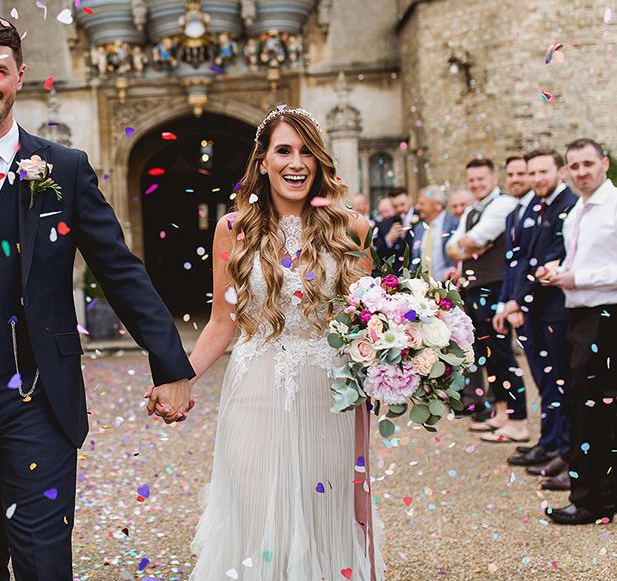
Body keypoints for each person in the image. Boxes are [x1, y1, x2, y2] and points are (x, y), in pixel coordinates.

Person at [0, 14, 195, 581]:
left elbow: (120, 271)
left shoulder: (64, 169)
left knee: (43, 564)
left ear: (20, 76)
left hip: (37, 400)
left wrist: (171, 364)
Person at [179, 106, 384, 579]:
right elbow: (221, 323)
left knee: (323, 511)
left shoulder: (351, 228)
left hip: (328, 390)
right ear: (264, 161)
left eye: (306, 151)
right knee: (255, 508)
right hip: (254, 386)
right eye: (284, 151)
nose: (296, 163)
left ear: (319, 160)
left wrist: (405, 354)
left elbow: (364, 322)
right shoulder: (234, 229)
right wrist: (180, 378)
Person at [541, 139, 617, 525]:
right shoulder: (576, 213)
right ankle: (597, 495)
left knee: (595, 412)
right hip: (580, 316)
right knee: (583, 407)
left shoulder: (614, 208)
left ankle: (593, 501)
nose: (582, 171)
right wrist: (558, 271)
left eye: (588, 163)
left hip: (607, 317)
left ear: (604, 163)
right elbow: (578, 260)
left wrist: (578, 277)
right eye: (574, 165)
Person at [500, 149, 577, 484]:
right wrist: (515, 302)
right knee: (545, 382)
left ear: (560, 171)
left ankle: (564, 450)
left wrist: (520, 302)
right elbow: (523, 260)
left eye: (542, 172)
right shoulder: (538, 204)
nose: (535, 180)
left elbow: (551, 258)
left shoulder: (568, 205)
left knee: (559, 383)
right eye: (531, 173)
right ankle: (551, 444)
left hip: (556, 309)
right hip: (534, 309)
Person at [446, 158, 529, 443]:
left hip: (494, 287)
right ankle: (501, 411)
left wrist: (468, 247)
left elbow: (476, 238)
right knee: (486, 353)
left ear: (494, 178)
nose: (476, 184)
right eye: (472, 180)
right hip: (474, 288)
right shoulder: (471, 209)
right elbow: (453, 248)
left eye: (481, 179)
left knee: (502, 352)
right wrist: (467, 249)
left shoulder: (503, 204)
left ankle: (518, 418)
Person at [411, 185, 458, 282]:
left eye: (422, 203)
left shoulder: (454, 223)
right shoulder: (419, 228)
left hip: (449, 286)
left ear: (437, 205)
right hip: (423, 289)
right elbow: (415, 260)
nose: (417, 207)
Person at [374, 186, 418, 268]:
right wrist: (388, 239)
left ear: (410, 199)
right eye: (395, 206)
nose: (400, 209)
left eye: (402, 204)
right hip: (395, 275)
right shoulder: (386, 224)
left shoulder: (422, 219)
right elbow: (377, 252)